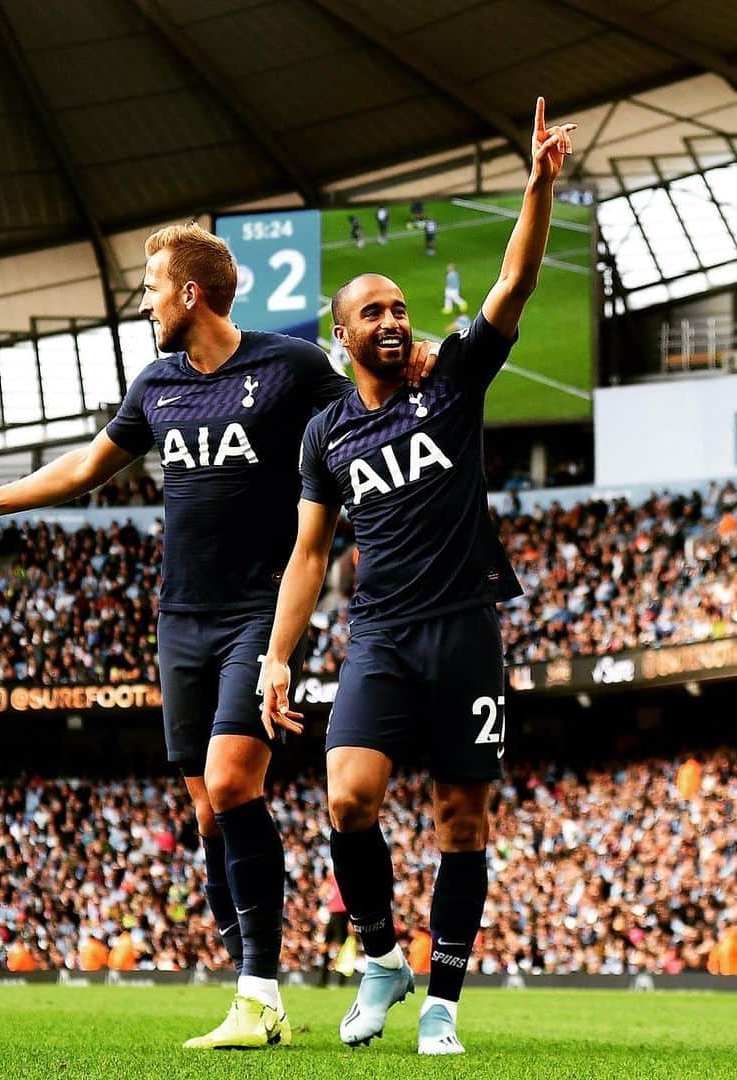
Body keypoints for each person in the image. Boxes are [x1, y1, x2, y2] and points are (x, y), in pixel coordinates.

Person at [0, 223, 438, 1050]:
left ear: (190, 293)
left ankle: (259, 995)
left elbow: (367, 391)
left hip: (257, 616)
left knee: (232, 783)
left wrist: (423, 352)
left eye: (154, 284)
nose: (146, 299)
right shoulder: (156, 382)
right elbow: (88, 466)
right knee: (205, 811)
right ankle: (271, 961)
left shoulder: (290, 365)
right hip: (179, 618)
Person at [260, 97, 575, 1056]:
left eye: (400, 308)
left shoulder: (454, 380)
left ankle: (441, 1002)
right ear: (341, 335)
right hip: (383, 637)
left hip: (467, 628)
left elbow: (515, 283)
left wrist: (538, 187)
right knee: (348, 797)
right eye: (374, 312)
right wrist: (279, 660)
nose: (394, 320)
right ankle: (381, 958)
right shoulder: (326, 432)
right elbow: (310, 553)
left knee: (461, 818)